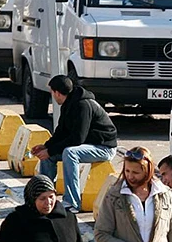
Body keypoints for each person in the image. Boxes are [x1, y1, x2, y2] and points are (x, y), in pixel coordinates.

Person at [32, 74, 119, 213]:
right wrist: (46, 147)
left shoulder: (83, 105)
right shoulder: (68, 104)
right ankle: (43, 195)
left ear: (57, 93)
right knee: (48, 156)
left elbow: (77, 139)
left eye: (52, 93)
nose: (52, 97)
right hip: (87, 146)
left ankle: (71, 202)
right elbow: (61, 131)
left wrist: (51, 150)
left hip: (104, 147)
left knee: (70, 153)